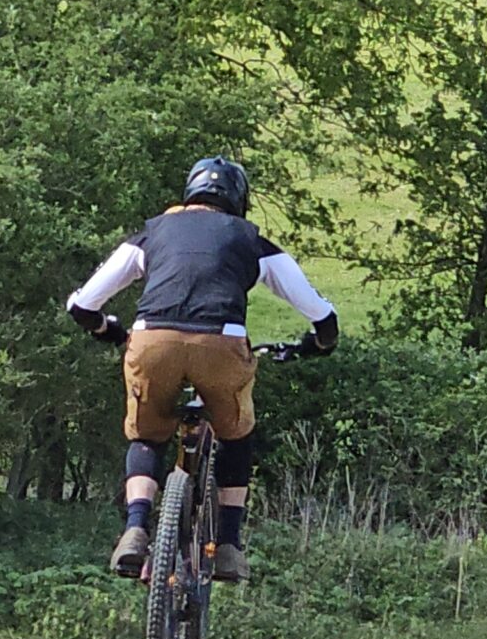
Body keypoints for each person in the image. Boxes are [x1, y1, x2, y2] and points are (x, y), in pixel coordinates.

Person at [66, 156, 338, 583]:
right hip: (221, 344)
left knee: (147, 434)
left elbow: (82, 306)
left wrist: (110, 331)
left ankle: (135, 527)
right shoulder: (252, 241)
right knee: (236, 434)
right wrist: (317, 345)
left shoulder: (152, 233)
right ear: (239, 199)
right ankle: (228, 545)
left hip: (152, 340)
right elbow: (322, 316)